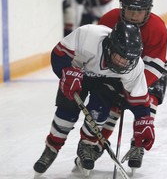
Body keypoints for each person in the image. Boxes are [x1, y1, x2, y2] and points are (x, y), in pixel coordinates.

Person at [33, 21, 156, 177]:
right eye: (120, 56)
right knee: (67, 110)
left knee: (99, 111)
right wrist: (66, 71)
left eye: (128, 59)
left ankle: (87, 145)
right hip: (77, 73)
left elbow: (139, 100)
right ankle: (52, 147)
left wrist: (144, 121)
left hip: (106, 83)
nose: (123, 63)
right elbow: (58, 54)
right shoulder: (88, 35)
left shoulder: (134, 67)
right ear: (110, 46)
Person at [97, 0, 167, 170]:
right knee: (113, 106)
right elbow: (99, 55)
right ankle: (97, 142)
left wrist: (132, 90)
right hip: (117, 69)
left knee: (148, 102)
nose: (134, 15)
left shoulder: (158, 28)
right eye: (130, 9)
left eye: (140, 10)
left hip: (150, 70)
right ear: (122, 6)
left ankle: (138, 144)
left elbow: (155, 65)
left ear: (148, 9)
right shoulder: (108, 20)